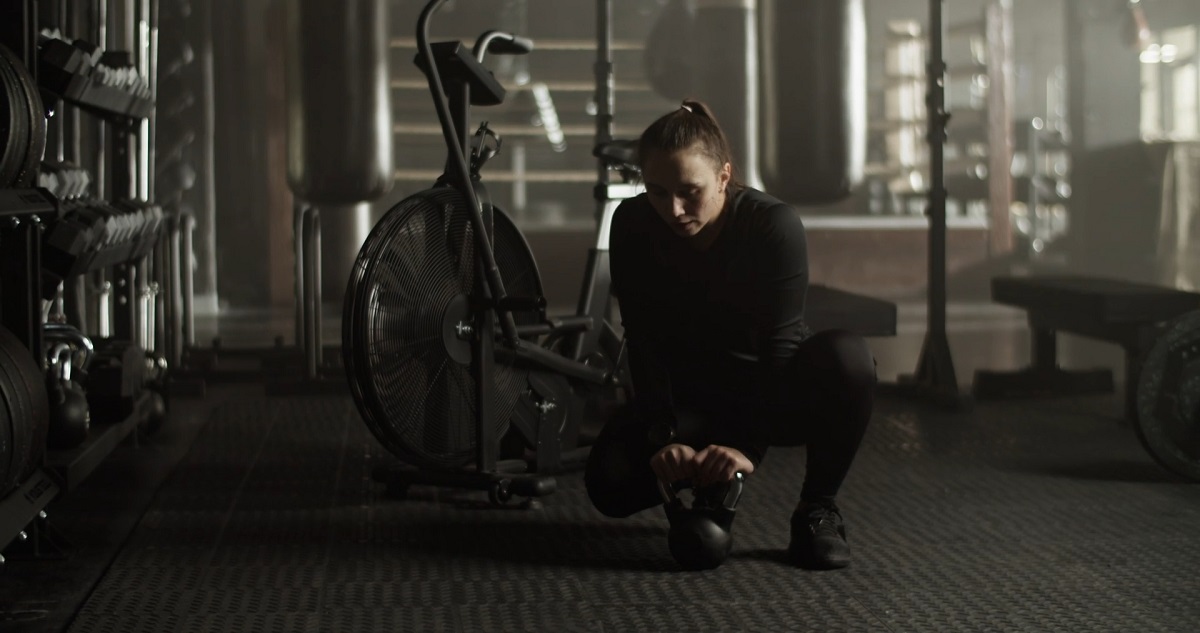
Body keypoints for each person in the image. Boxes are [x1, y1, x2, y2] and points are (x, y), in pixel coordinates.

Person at [585, 100, 877, 570]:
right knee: (611, 484)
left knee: (849, 359)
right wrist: (664, 437)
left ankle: (817, 508)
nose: (673, 209)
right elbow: (641, 338)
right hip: (693, 397)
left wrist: (747, 448)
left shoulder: (772, 225)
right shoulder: (634, 223)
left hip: (770, 387)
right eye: (657, 192)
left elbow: (780, 348)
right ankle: (705, 483)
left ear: (724, 177)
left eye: (689, 191)